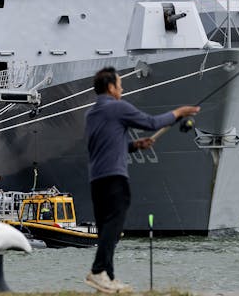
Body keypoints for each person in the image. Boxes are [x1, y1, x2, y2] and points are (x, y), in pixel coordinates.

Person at [84, 66, 199, 294]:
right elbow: (152, 122)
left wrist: (135, 146)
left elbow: (106, 146)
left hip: (96, 179)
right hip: (115, 177)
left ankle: (107, 277)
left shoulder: (91, 114)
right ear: (110, 87)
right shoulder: (117, 108)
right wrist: (179, 112)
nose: (122, 88)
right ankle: (98, 270)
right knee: (114, 226)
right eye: (119, 84)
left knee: (106, 228)